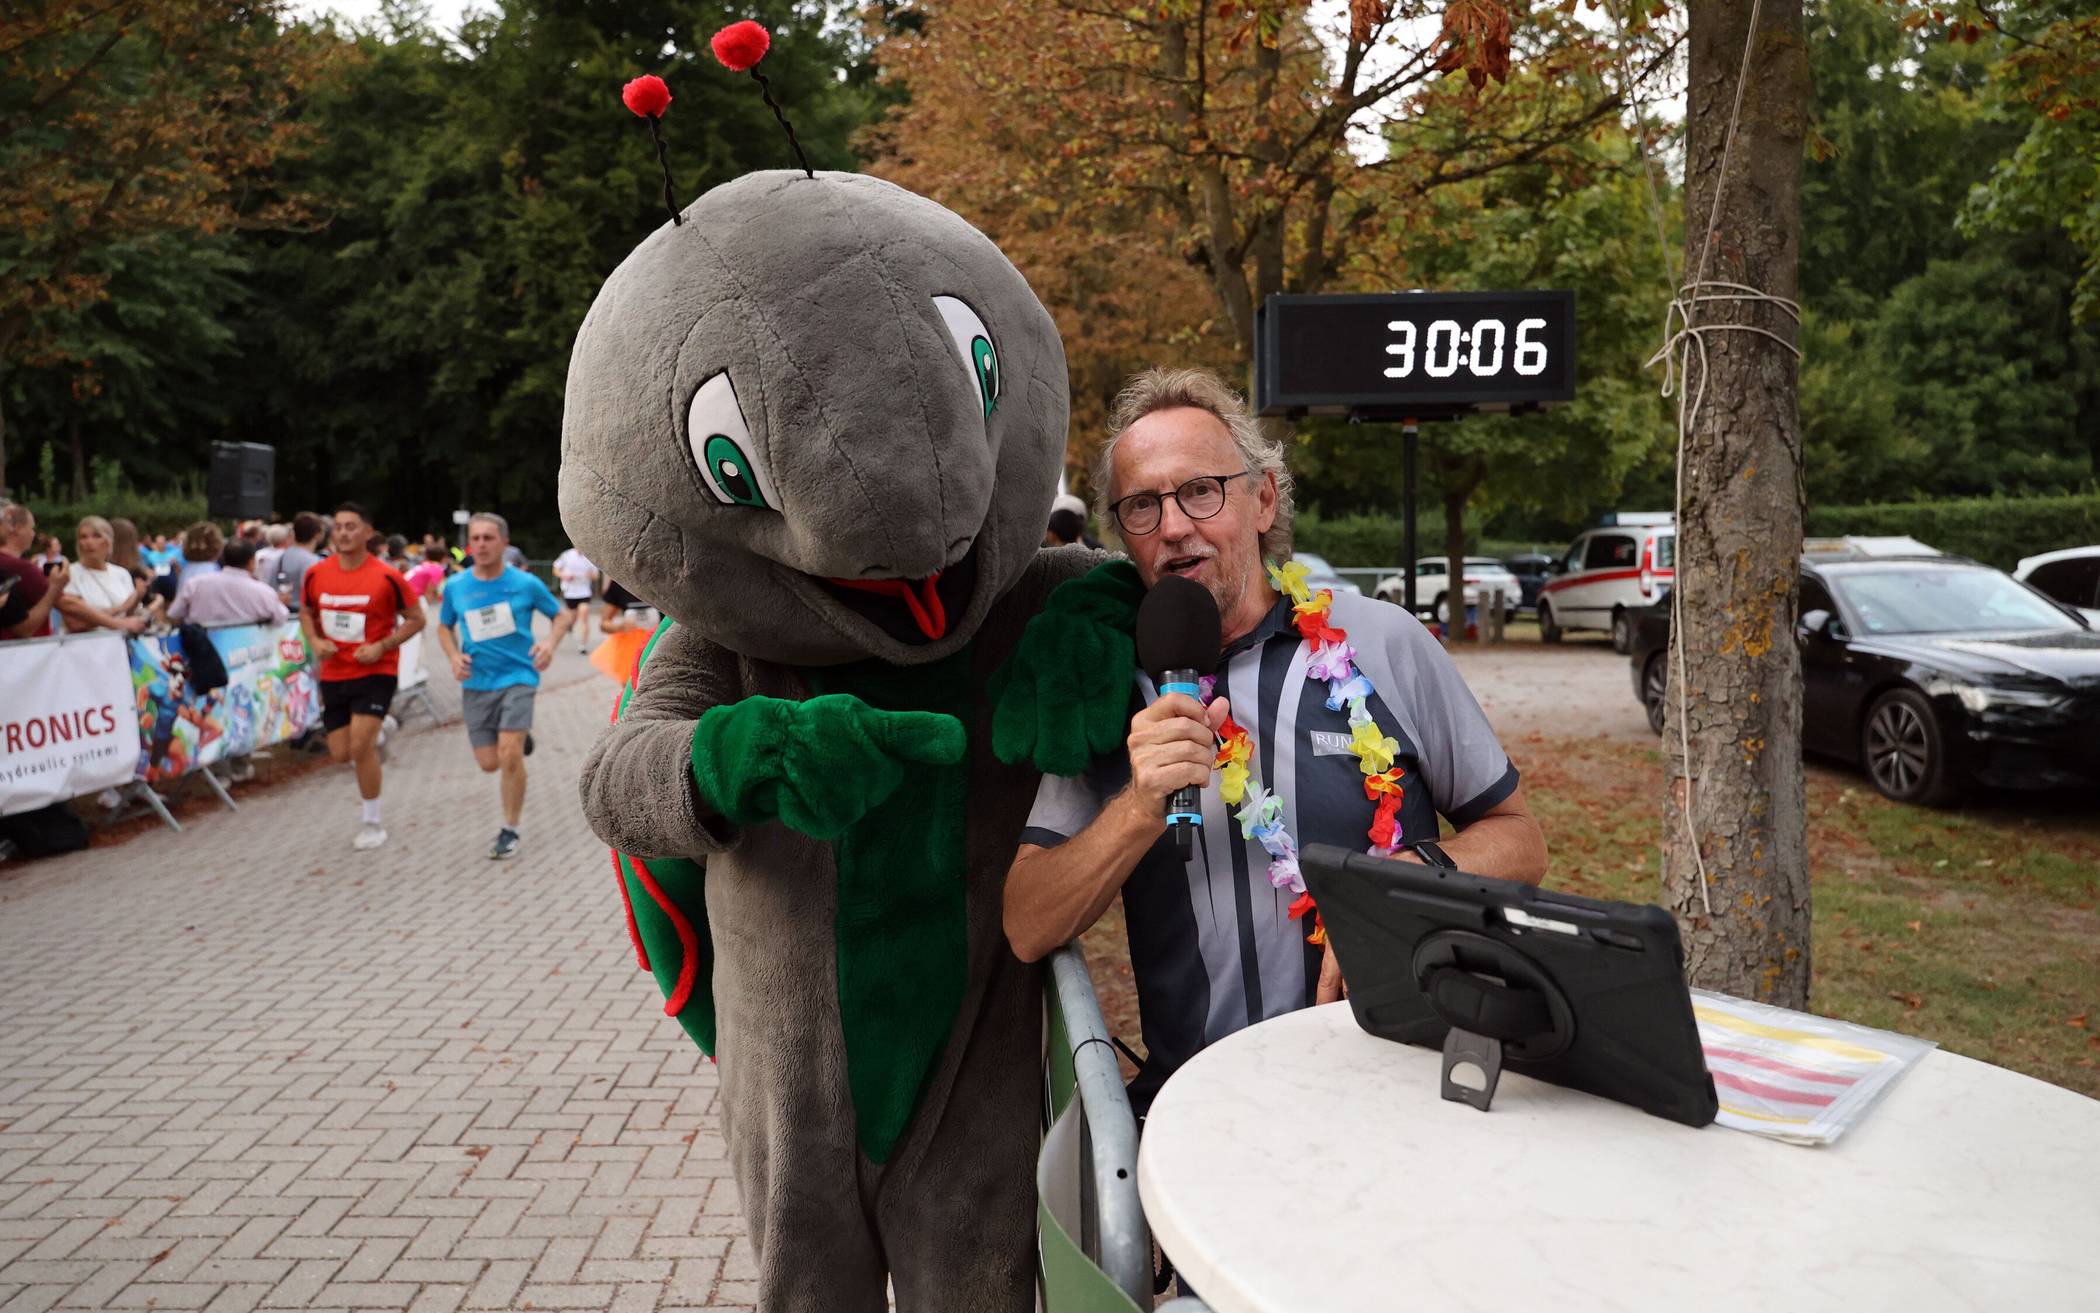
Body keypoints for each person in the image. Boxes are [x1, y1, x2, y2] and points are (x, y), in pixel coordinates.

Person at [1002, 367, 1548, 1114]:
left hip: (1396, 1096)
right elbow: (1027, 925)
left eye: (1201, 490)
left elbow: (1520, 841)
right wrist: (1135, 808)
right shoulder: (1106, 686)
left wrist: (1400, 885)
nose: (1173, 526)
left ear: (1262, 499)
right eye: (1142, 506)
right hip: (1203, 1116)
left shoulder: (1381, 641)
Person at [434, 512, 574, 860]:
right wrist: (452, 656)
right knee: (489, 762)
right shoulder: (456, 586)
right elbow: (443, 626)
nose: (481, 544)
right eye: (475, 538)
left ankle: (510, 828)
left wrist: (549, 644)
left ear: (504, 542)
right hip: (477, 681)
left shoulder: (525, 583)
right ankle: (519, 738)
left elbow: (561, 615)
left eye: (488, 538)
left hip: (518, 677)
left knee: (509, 755)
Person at [300, 502, 424, 850]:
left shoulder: (387, 576)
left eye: (351, 526)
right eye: (338, 526)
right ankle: (381, 729)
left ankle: (372, 822)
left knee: (359, 747)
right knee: (340, 753)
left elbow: (417, 619)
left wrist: (382, 646)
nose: (343, 533)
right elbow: (306, 612)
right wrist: (315, 641)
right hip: (335, 671)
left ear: (368, 532)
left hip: (375, 671)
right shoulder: (316, 573)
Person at [168, 539, 289, 627]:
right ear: (251, 562)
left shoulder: (195, 583)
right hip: (245, 650)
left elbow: (174, 614)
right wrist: (279, 602)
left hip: (200, 648)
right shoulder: (263, 591)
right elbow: (281, 619)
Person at [58, 515, 147, 635]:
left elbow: (131, 618)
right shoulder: (70, 573)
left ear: (108, 540)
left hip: (121, 642)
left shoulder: (121, 574)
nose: (89, 542)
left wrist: (136, 599)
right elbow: (76, 623)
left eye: (97, 536)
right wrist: (121, 608)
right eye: (83, 537)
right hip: (86, 644)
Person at [0, 503, 67, 640]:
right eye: (6, 521)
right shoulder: (17, 567)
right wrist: (54, 588)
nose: (8, 527)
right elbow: (23, 628)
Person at [551, 543, 598, 652]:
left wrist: (591, 576)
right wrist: (564, 575)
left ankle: (582, 645)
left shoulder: (590, 557)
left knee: (584, 614)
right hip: (570, 592)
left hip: (584, 592)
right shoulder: (566, 555)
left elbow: (596, 576)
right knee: (572, 617)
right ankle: (570, 625)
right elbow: (555, 570)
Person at [271, 512, 325, 604]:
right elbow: (314, 596)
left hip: (281, 610)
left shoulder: (280, 558)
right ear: (317, 534)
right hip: (302, 611)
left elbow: (271, 589)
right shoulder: (314, 561)